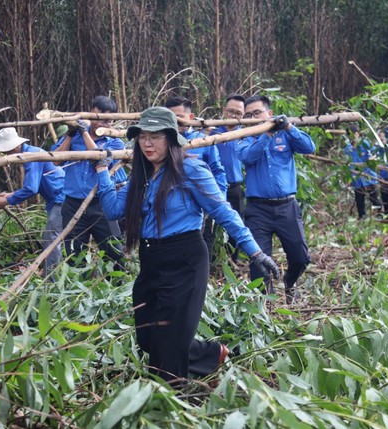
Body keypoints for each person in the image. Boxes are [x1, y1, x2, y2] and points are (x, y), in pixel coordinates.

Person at [94, 107, 279, 385]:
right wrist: (102, 171)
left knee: (168, 346)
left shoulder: (190, 169)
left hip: (184, 260)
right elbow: (112, 210)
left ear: (171, 138)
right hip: (151, 260)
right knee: (148, 338)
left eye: (155, 136)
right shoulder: (141, 175)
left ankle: (173, 400)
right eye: (143, 136)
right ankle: (212, 353)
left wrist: (255, 251)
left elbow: (222, 211)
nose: (147, 143)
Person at [236, 95, 315, 303]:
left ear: (269, 113)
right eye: (248, 115)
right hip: (257, 209)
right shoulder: (243, 136)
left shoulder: (286, 133)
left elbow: (309, 147)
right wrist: (266, 135)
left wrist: (289, 127)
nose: (253, 117)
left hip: (287, 206)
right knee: (258, 263)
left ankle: (290, 282)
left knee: (300, 257)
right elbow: (247, 157)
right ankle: (266, 306)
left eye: (257, 113)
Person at [52, 96, 127, 268]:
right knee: (74, 253)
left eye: (108, 121)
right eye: (100, 118)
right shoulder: (73, 139)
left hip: (102, 204)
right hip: (73, 204)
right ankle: (79, 289)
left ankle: (116, 288)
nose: (103, 124)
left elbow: (99, 160)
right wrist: (71, 134)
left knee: (114, 252)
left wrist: (84, 132)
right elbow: (56, 160)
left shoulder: (115, 142)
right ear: (92, 112)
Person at [0, 127, 65, 277]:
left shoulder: (32, 156)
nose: (7, 155)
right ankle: (57, 275)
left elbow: (31, 188)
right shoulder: (31, 152)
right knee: (58, 238)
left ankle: (52, 281)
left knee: (51, 238)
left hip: (62, 199)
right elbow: (34, 186)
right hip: (58, 199)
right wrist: (9, 195)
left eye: (8, 151)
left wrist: (7, 201)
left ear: (16, 146)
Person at [165, 96, 228, 266]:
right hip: (169, 208)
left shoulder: (203, 141)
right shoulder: (162, 141)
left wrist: (218, 200)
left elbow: (217, 171)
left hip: (200, 205)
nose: (176, 122)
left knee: (201, 245)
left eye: (179, 117)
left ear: (191, 117)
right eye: (171, 118)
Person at [210, 93, 247, 262]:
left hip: (234, 187)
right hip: (212, 187)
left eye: (238, 113)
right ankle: (209, 261)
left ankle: (233, 260)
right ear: (224, 111)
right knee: (209, 227)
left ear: (244, 114)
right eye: (230, 112)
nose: (233, 116)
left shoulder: (246, 133)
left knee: (236, 224)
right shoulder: (213, 132)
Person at [344, 122, 381, 219]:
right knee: (359, 200)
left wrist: (373, 158)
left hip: (369, 176)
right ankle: (362, 217)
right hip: (356, 179)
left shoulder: (365, 144)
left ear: (358, 134)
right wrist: (348, 179)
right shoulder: (348, 149)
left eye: (355, 134)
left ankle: (379, 215)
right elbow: (348, 164)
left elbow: (375, 154)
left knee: (374, 197)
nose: (353, 137)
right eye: (350, 135)